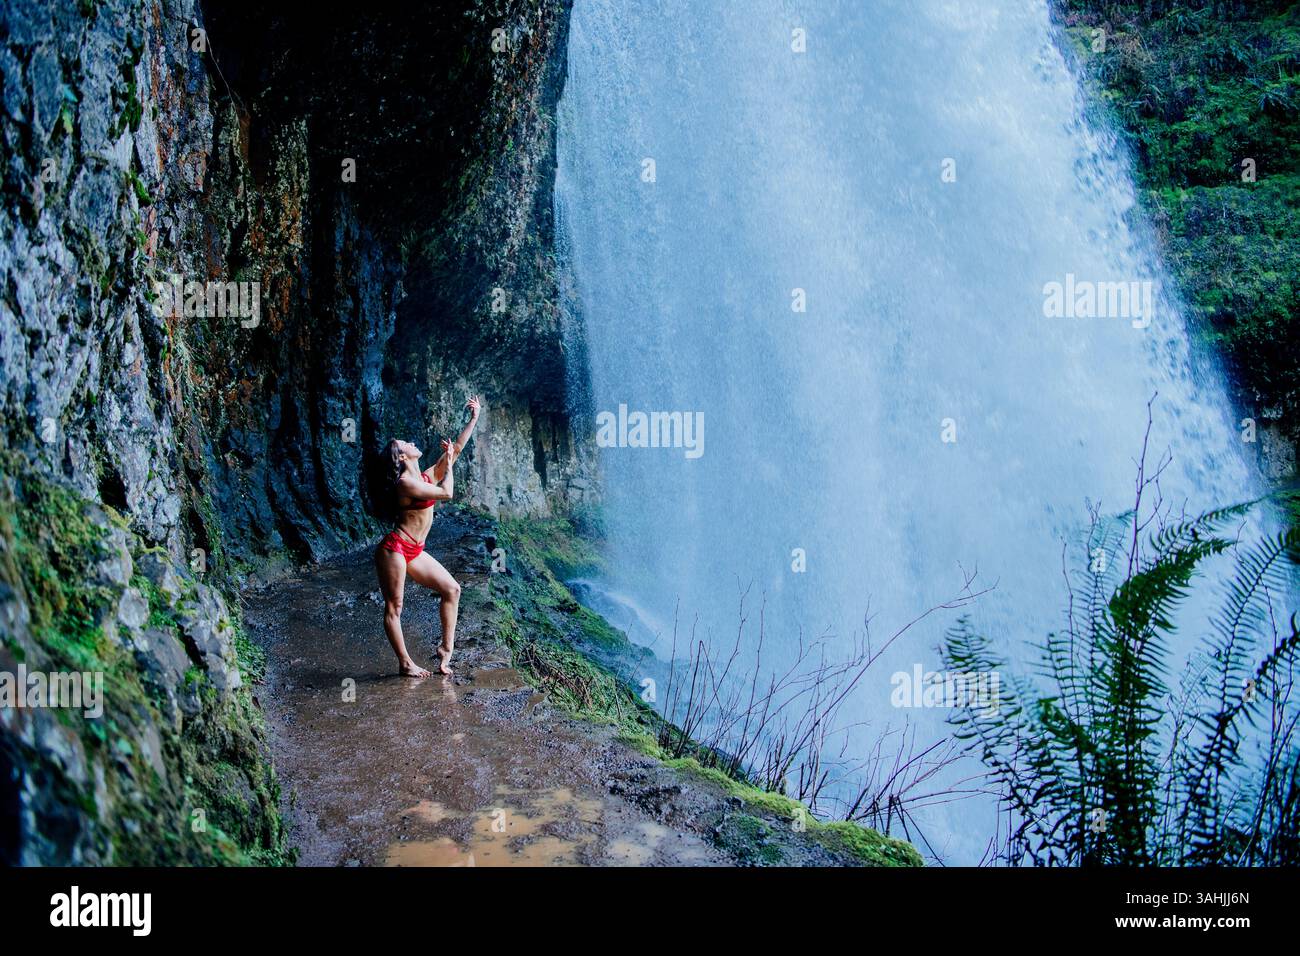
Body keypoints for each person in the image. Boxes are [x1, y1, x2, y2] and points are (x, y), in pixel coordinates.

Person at [374, 396, 481, 677]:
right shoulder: (406, 484)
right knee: (395, 606)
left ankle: (445, 653)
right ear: (401, 456)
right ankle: (406, 663)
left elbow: (455, 450)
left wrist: (474, 419)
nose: (412, 442)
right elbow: (447, 493)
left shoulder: (423, 477)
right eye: (406, 444)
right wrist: (449, 465)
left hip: (414, 550)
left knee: (452, 589)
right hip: (395, 549)